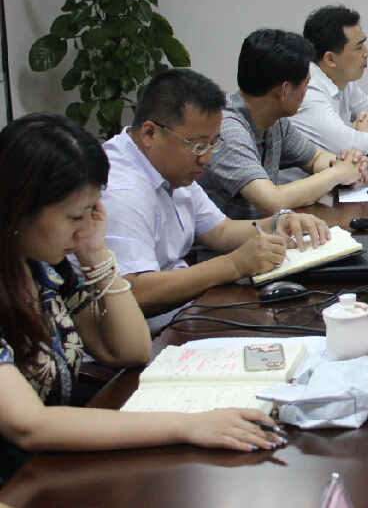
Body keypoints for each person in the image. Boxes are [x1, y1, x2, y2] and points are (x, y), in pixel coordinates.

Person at [0, 114, 280, 485]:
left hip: (52, 464)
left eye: (91, 212)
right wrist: (187, 425)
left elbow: (130, 350)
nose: (85, 229)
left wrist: (96, 255)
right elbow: (28, 425)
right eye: (74, 217)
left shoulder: (43, 268)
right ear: (18, 207)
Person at [102, 69, 330, 329]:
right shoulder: (122, 191)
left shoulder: (170, 167)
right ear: (149, 134)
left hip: (185, 309)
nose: (206, 158)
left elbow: (220, 231)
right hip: (150, 336)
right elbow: (133, 292)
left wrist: (279, 223)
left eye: (213, 144)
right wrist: (234, 265)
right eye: (198, 146)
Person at [199, 29, 368, 220]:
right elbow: (272, 202)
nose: (307, 91)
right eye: (306, 84)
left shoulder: (274, 122)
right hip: (232, 238)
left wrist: (348, 164)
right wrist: (338, 173)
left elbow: (315, 159)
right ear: (284, 90)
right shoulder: (227, 130)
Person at [292, 5, 368, 156]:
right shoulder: (308, 91)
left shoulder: (344, 81)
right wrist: (365, 133)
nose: (367, 53)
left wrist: (367, 127)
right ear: (330, 59)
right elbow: (350, 146)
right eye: (359, 48)